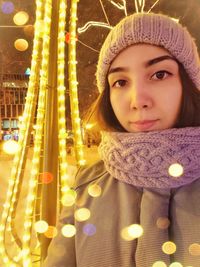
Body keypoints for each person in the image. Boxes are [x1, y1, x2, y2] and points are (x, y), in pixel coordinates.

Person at [43, 12, 200, 267]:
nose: (138, 100)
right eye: (120, 82)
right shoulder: (85, 187)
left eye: (159, 74)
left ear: (189, 83)